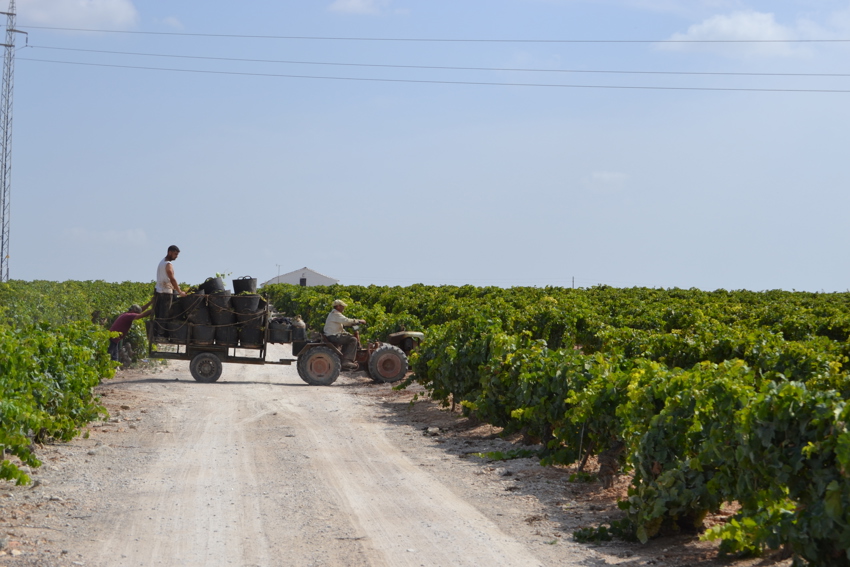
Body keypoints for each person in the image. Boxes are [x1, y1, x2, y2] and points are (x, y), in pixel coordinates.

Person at [154, 245, 186, 337]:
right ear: (170, 252)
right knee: (164, 314)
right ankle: (161, 335)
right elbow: (172, 279)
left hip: (159, 291)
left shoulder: (161, 262)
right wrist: (180, 291)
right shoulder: (168, 264)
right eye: (175, 254)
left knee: (159, 314)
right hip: (166, 292)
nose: (176, 256)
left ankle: (158, 333)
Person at [323, 299, 365, 370]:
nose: (344, 308)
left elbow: (340, 328)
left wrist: (347, 333)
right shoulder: (336, 314)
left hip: (332, 334)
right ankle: (347, 361)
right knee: (353, 340)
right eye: (343, 306)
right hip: (333, 336)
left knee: (348, 338)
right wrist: (359, 321)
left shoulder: (333, 314)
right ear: (338, 306)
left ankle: (343, 359)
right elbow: (346, 321)